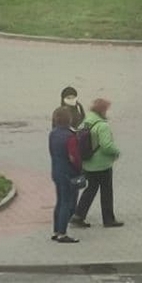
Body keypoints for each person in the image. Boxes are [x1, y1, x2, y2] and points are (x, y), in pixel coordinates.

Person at [72, 97, 123, 229]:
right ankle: (108, 219)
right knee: (106, 191)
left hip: (88, 163)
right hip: (102, 164)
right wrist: (116, 152)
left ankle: (78, 215)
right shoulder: (102, 126)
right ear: (103, 110)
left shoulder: (86, 121)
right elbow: (106, 145)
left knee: (90, 189)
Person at [48, 106, 81, 243]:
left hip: (56, 171)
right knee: (68, 203)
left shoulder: (53, 134)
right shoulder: (70, 136)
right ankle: (62, 233)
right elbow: (74, 158)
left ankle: (56, 231)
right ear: (69, 119)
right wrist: (80, 169)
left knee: (60, 201)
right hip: (68, 173)